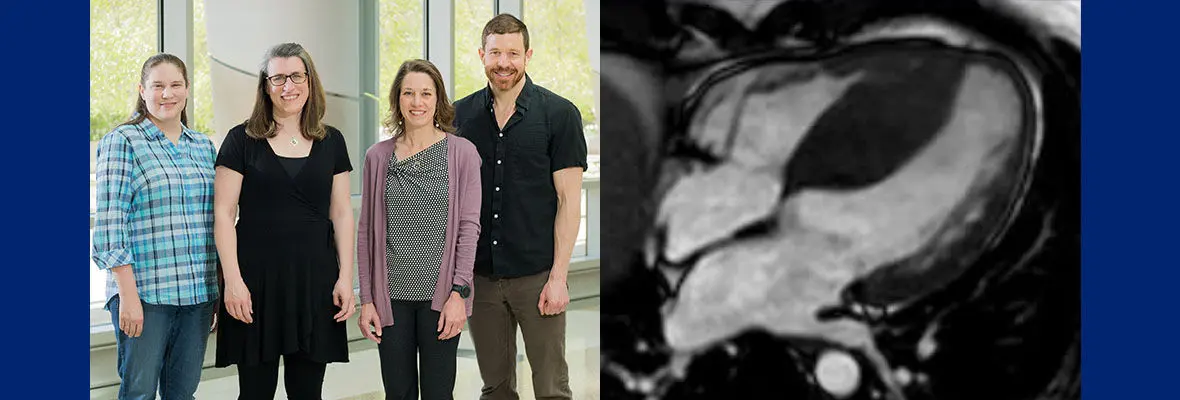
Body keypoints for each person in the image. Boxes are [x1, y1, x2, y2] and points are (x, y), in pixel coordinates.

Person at [453, 14, 588, 400]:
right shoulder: (458, 117)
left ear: (527, 55)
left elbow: (568, 201)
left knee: (551, 388)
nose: (504, 62)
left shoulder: (559, 115)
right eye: (496, 52)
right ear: (482, 55)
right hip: (481, 277)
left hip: (538, 276)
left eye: (513, 53)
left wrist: (559, 277)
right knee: (495, 388)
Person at [212, 42, 355, 400]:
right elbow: (224, 214)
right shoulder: (240, 140)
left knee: (308, 394)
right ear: (265, 85)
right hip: (255, 285)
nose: (287, 86)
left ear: (310, 82)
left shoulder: (332, 141)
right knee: (255, 394)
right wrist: (232, 282)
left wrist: (346, 277)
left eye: (295, 76)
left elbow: (341, 213)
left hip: (314, 282)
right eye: (277, 78)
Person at [92, 53, 219, 400]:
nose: (167, 94)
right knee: (139, 394)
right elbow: (109, 224)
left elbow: (216, 221)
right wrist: (128, 297)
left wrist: (217, 291)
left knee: (182, 395)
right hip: (145, 295)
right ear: (142, 91)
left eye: (175, 85)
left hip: (197, 296)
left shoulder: (204, 147)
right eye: (158, 85)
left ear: (187, 90)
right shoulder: (124, 141)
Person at [356, 59, 482, 400]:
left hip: (442, 300)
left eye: (426, 93)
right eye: (409, 93)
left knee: (439, 394)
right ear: (398, 99)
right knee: (398, 394)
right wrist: (366, 299)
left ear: (438, 99)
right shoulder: (377, 157)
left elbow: (469, 230)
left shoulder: (463, 154)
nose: (417, 102)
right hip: (391, 299)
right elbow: (366, 233)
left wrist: (459, 294)